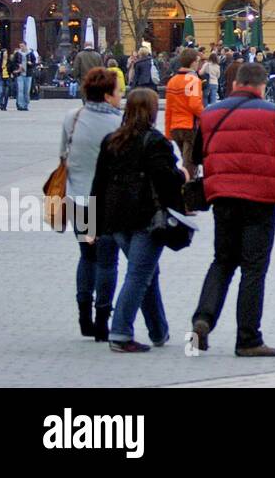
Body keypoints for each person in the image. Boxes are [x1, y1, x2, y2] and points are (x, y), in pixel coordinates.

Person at [189, 62, 275, 357]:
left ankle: (203, 318)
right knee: (253, 268)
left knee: (223, 261)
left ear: (236, 83)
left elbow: (198, 153)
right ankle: (248, 339)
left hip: (222, 197)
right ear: (261, 86)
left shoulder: (211, 112)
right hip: (260, 201)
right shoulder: (271, 113)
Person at [89, 88, 186, 352]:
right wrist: (183, 177)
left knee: (146, 273)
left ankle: (158, 331)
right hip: (146, 220)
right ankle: (120, 333)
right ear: (153, 112)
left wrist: (92, 225)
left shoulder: (112, 140)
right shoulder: (155, 142)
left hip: (116, 220)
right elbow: (168, 181)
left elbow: (98, 183)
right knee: (139, 275)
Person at [62, 68, 124, 341]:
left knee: (87, 256)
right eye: (118, 92)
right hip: (109, 202)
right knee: (107, 261)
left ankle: (84, 315)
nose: (120, 96)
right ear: (109, 95)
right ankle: (102, 319)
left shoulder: (72, 118)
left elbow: (63, 155)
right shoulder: (120, 124)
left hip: (79, 200)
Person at [164, 48, 204, 176]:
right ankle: (188, 189)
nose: (199, 64)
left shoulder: (172, 81)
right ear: (193, 62)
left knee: (186, 159)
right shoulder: (193, 80)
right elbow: (194, 105)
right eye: (198, 61)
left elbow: (168, 108)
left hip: (175, 127)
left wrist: (167, 132)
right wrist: (206, 116)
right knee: (190, 163)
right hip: (189, 126)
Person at [11, 40, 38, 110]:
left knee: (27, 90)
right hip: (20, 74)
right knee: (20, 90)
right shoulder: (17, 54)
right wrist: (17, 68)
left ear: (25, 46)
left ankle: (26, 104)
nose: (21, 47)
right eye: (20, 46)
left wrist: (31, 64)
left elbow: (34, 62)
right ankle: (20, 105)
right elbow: (13, 63)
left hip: (28, 74)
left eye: (22, 46)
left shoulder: (30, 53)